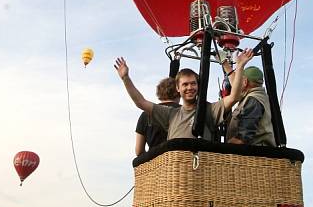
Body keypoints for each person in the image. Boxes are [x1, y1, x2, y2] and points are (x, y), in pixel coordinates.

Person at [115, 49, 254, 141]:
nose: (190, 88)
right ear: (178, 88)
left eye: (193, 84)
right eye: (185, 84)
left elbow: (234, 97)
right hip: (179, 175)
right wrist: (126, 78)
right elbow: (140, 102)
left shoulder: (209, 110)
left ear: (198, 86)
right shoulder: (171, 114)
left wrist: (240, 66)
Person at [225, 65, 275, 146]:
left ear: (245, 82)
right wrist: (225, 64)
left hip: (254, 153)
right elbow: (235, 88)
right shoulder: (259, 95)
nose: (237, 83)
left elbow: (243, 137)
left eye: (239, 80)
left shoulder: (253, 99)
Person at [135, 77, 179, 155]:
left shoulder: (145, 114)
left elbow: (138, 151)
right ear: (179, 91)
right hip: (181, 161)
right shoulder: (184, 112)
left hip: (155, 163)